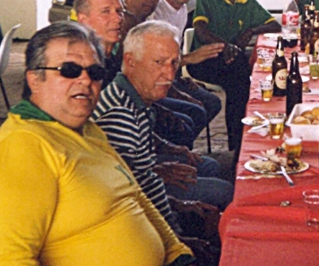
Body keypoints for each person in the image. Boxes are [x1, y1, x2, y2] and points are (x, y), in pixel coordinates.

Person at [0, 21, 209, 266]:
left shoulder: (86, 130)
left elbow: (136, 200)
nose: (85, 80)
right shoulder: (19, 150)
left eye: (94, 71)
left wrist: (182, 261)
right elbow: (5, 262)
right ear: (35, 78)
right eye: (68, 69)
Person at [93, 20, 234, 212]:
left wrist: (171, 148)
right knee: (225, 191)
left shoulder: (130, 91)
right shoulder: (120, 116)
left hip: (141, 169)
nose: (169, 74)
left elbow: (141, 139)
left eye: (174, 63)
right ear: (130, 61)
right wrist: (180, 208)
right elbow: (130, 193)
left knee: (208, 165)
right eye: (158, 62)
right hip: (135, 191)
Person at [189, 0, 280, 151]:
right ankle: (239, 143)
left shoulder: (247, 1)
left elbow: (275, 24)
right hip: (202, 59)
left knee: (238, 78)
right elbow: (200, 30)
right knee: (240, 77)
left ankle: (238, 144)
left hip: (230, 62)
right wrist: (226, 47)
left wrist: (250, 31)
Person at [148, 0, 224, 130]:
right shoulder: (155, 10)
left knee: (213, 103)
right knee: (195, 110)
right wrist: (191, 58)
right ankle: (175, 148)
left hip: (172, 78)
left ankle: (182, 145)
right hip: (155, 82)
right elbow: (155, 62)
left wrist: (180, 77)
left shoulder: (182, 10)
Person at [74, 0, 125, 85]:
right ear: (84, 20)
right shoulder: (79, 67)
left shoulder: (116, 62)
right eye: (106, 11)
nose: (118, 19)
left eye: (119, 11)